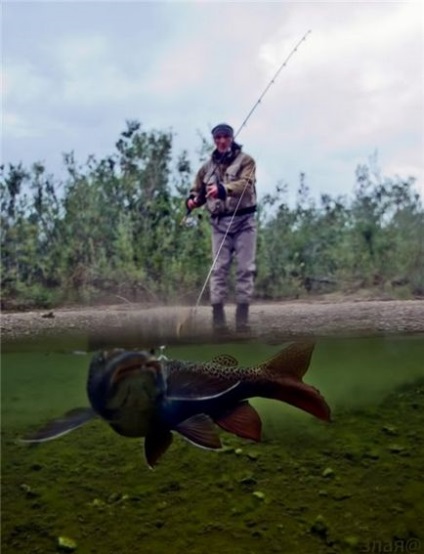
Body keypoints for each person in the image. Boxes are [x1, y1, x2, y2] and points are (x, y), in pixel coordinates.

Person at [186, 123, 257, 333]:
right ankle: (218, 321)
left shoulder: (247, 161)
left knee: (246, 269)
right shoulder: (206, 168)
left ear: (232, 138)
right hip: (219, 224)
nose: (222, 141)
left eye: (225, 137)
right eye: (218, 138)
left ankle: (242, 320)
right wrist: (192, 201)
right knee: (218, 270)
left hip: (244, 222)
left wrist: (223, 189)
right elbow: (196, 191)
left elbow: (246, 184)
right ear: (214, 140)